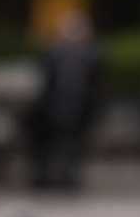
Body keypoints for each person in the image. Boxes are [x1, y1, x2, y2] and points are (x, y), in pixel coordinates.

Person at [26, 11, 102, 191]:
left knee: (48, 142)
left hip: (52, 112)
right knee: (72, 144)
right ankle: (67, 177)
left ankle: (45, 177)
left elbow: (43, 83)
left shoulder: (53, 52)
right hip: (78, 113)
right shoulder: (92, 54)